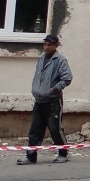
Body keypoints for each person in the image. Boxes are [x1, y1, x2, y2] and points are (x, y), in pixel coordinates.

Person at [18, 33, 72, 165]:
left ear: (56, 46)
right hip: (39, 100)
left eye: (50, 45)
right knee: (35, 130)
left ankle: (63, 153)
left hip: (53, 101)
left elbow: (67, 78)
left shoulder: (60, 60)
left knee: (55, 128)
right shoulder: (42, 58)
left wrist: (54, 89)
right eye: (45, 44)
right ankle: (31, 157)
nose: (46, 47)